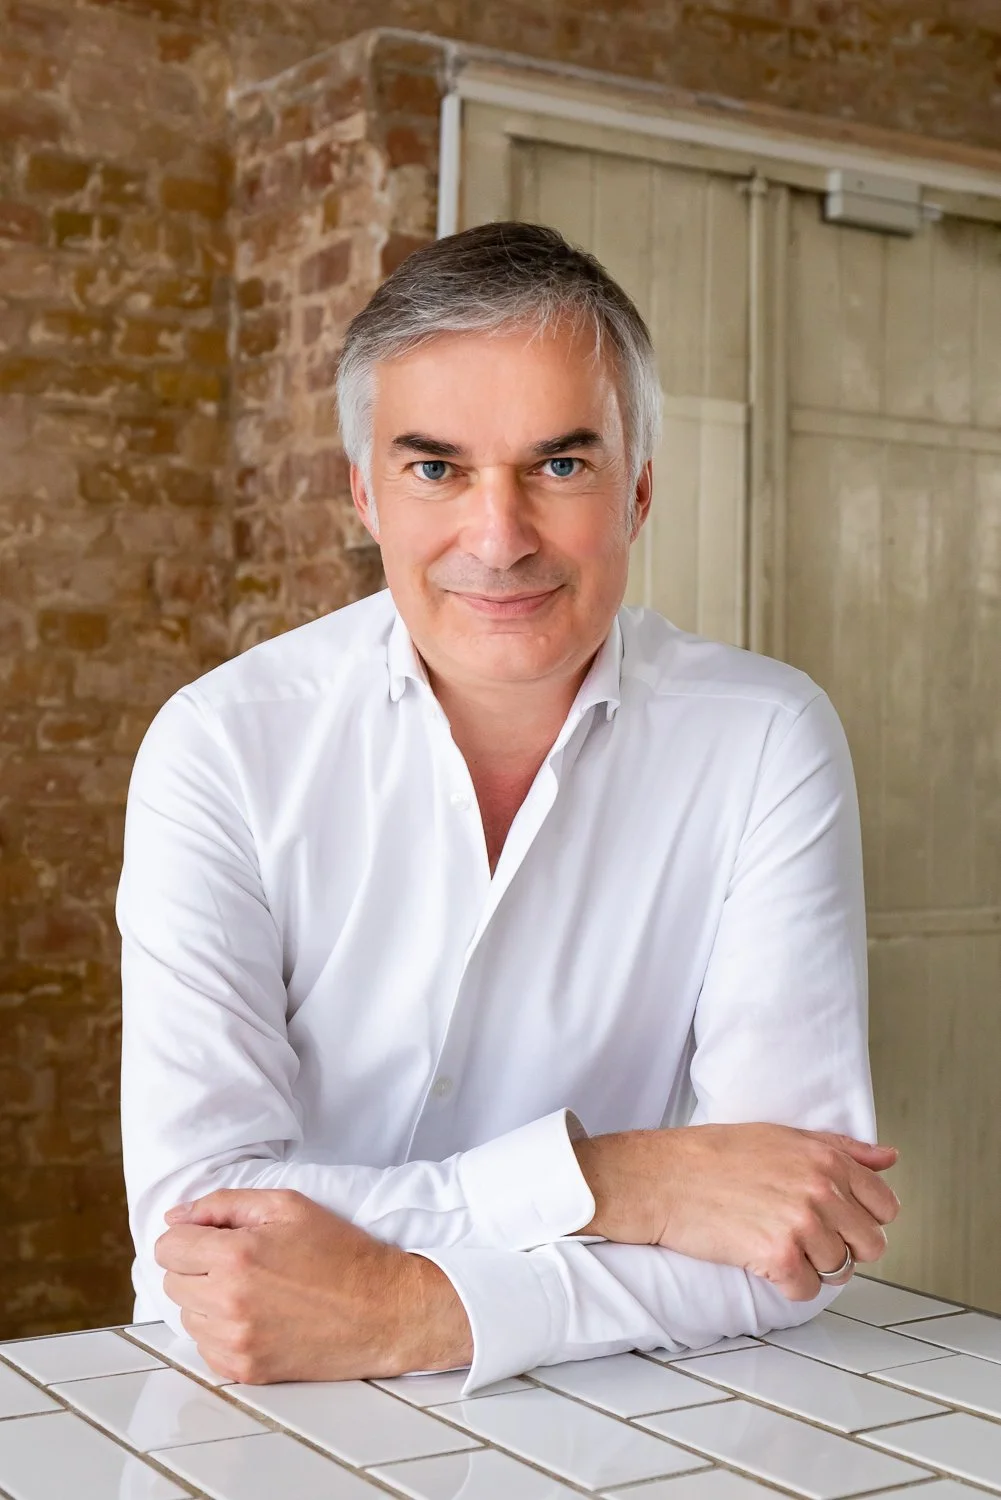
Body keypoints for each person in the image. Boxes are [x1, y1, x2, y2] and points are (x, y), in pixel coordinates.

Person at [118, 220, 899, 1390]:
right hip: (261, 1417)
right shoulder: (220, 748)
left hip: (626, 1420)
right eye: (435, 468)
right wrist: (620, 1184)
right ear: (365, 496)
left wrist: (408, 1312)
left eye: (559, 466)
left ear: (636, 491)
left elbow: (795, 1240)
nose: (498, 538)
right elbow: (201, 1242)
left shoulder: (763, 739)